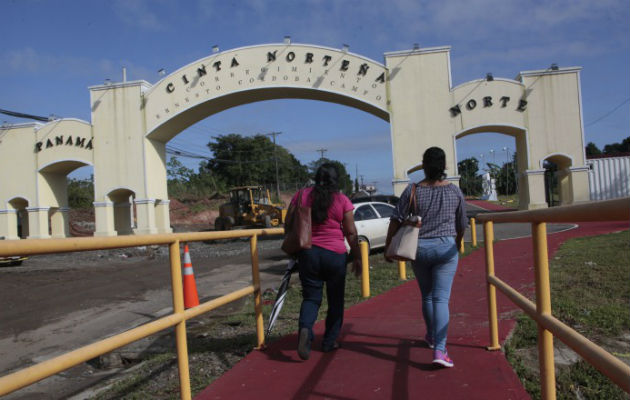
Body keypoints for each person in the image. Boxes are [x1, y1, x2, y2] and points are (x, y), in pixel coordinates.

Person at [385, 147, 466, 368]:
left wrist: (388, 245)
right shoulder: (454, 191)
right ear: (444, 166)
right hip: (445, 248)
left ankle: (430, 335)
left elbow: (395, 218)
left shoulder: (412, 190)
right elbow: (462, 224)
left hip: (418, 249)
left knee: (427, 296)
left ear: (424, 165)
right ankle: (440, 349)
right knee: (441, 299)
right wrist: (456, 243)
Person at [291, 163, 362, 360]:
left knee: (311, 298)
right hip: (335, 256)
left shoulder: (302, 195)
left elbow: (289, 222)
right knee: (335, 300)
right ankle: (329, 341)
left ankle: (306, 329)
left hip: (308, 253)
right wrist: (356, 256)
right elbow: (350, 232)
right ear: (336, 180)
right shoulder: (342, 200)